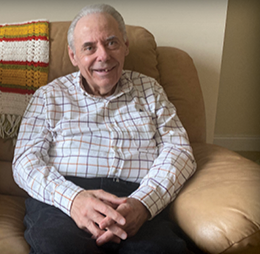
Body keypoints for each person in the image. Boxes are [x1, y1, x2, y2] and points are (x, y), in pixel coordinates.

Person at [13, 4, 196, 254]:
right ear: (73, 56)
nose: (103, 56)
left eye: (111, 43)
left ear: (126, 46)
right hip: (65, 199)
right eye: (89, 47)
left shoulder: (150, 90)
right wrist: (73, 200)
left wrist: (143, 203)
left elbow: (179, 150)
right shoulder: (49, 96)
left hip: (136, 195)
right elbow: (25, 160)